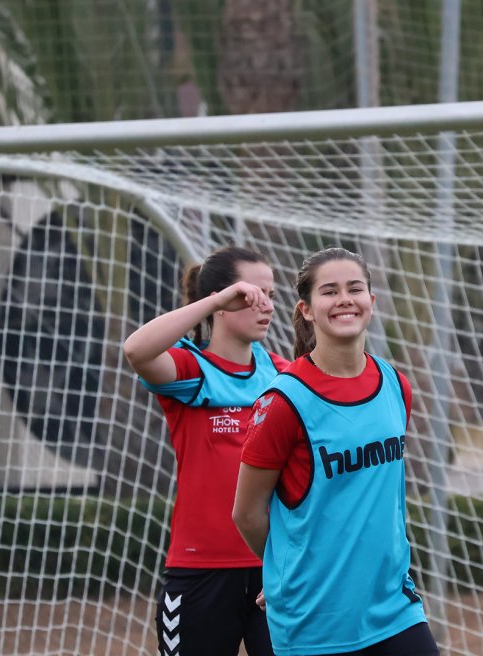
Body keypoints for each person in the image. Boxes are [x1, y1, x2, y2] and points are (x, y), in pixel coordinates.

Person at [232, 247, 439, 656]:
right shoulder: (283, 401)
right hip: (315, 621)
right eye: (330, 291)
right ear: (307, 309)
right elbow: (247, 512)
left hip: (395, 609)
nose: (345, 299)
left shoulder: (396, 386)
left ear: (371, 302)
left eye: (354, 288)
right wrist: (284, 571)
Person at [123, 245, 287, 656]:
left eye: (271, 294)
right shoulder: (191, 369)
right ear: (222, 301)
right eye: (252, 294)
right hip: (200, 573)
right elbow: (136, 350)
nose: (265, 305)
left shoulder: (285, 376)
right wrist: (212, 300)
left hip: (276, 570)